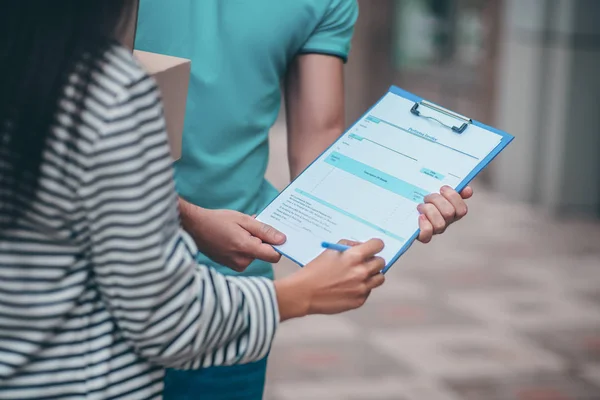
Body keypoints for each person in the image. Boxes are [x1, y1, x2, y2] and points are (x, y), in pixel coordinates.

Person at [0, 2, 390, 398]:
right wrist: (301, 293)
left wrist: (396, 207)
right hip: (135, 304)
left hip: (223, 297)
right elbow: (163, 316)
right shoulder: (112, 91)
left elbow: (319, 142)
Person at [135, 0, 473, 398]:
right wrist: (187, 217)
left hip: (235, 280)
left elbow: (320, 134)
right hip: (108, 257)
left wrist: (404, 202)